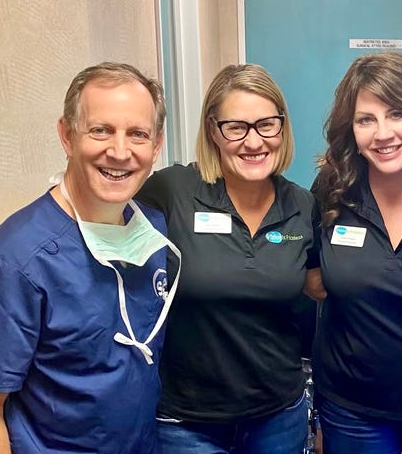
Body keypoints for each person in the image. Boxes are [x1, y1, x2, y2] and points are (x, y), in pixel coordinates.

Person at [0, 62, 180, 453]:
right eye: (101, 130)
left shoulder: (153, 233)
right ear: (66, 135)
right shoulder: (17, 259)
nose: (120, 151)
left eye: (138, 134)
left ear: (156, 146)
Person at [135, 63, 320, 454]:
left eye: (266, 124)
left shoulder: (302, 205)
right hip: (188, 423)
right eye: (236, 127)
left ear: (282, 127)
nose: (253, 142)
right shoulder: (172, 192)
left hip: (279, 414)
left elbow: (318, 286)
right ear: (212, 131)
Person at [308, 52, 402, 454]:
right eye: (365, 120)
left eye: (397, 114)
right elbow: (311, 276)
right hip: (352, 409)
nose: (382, 133)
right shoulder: (334, 188)